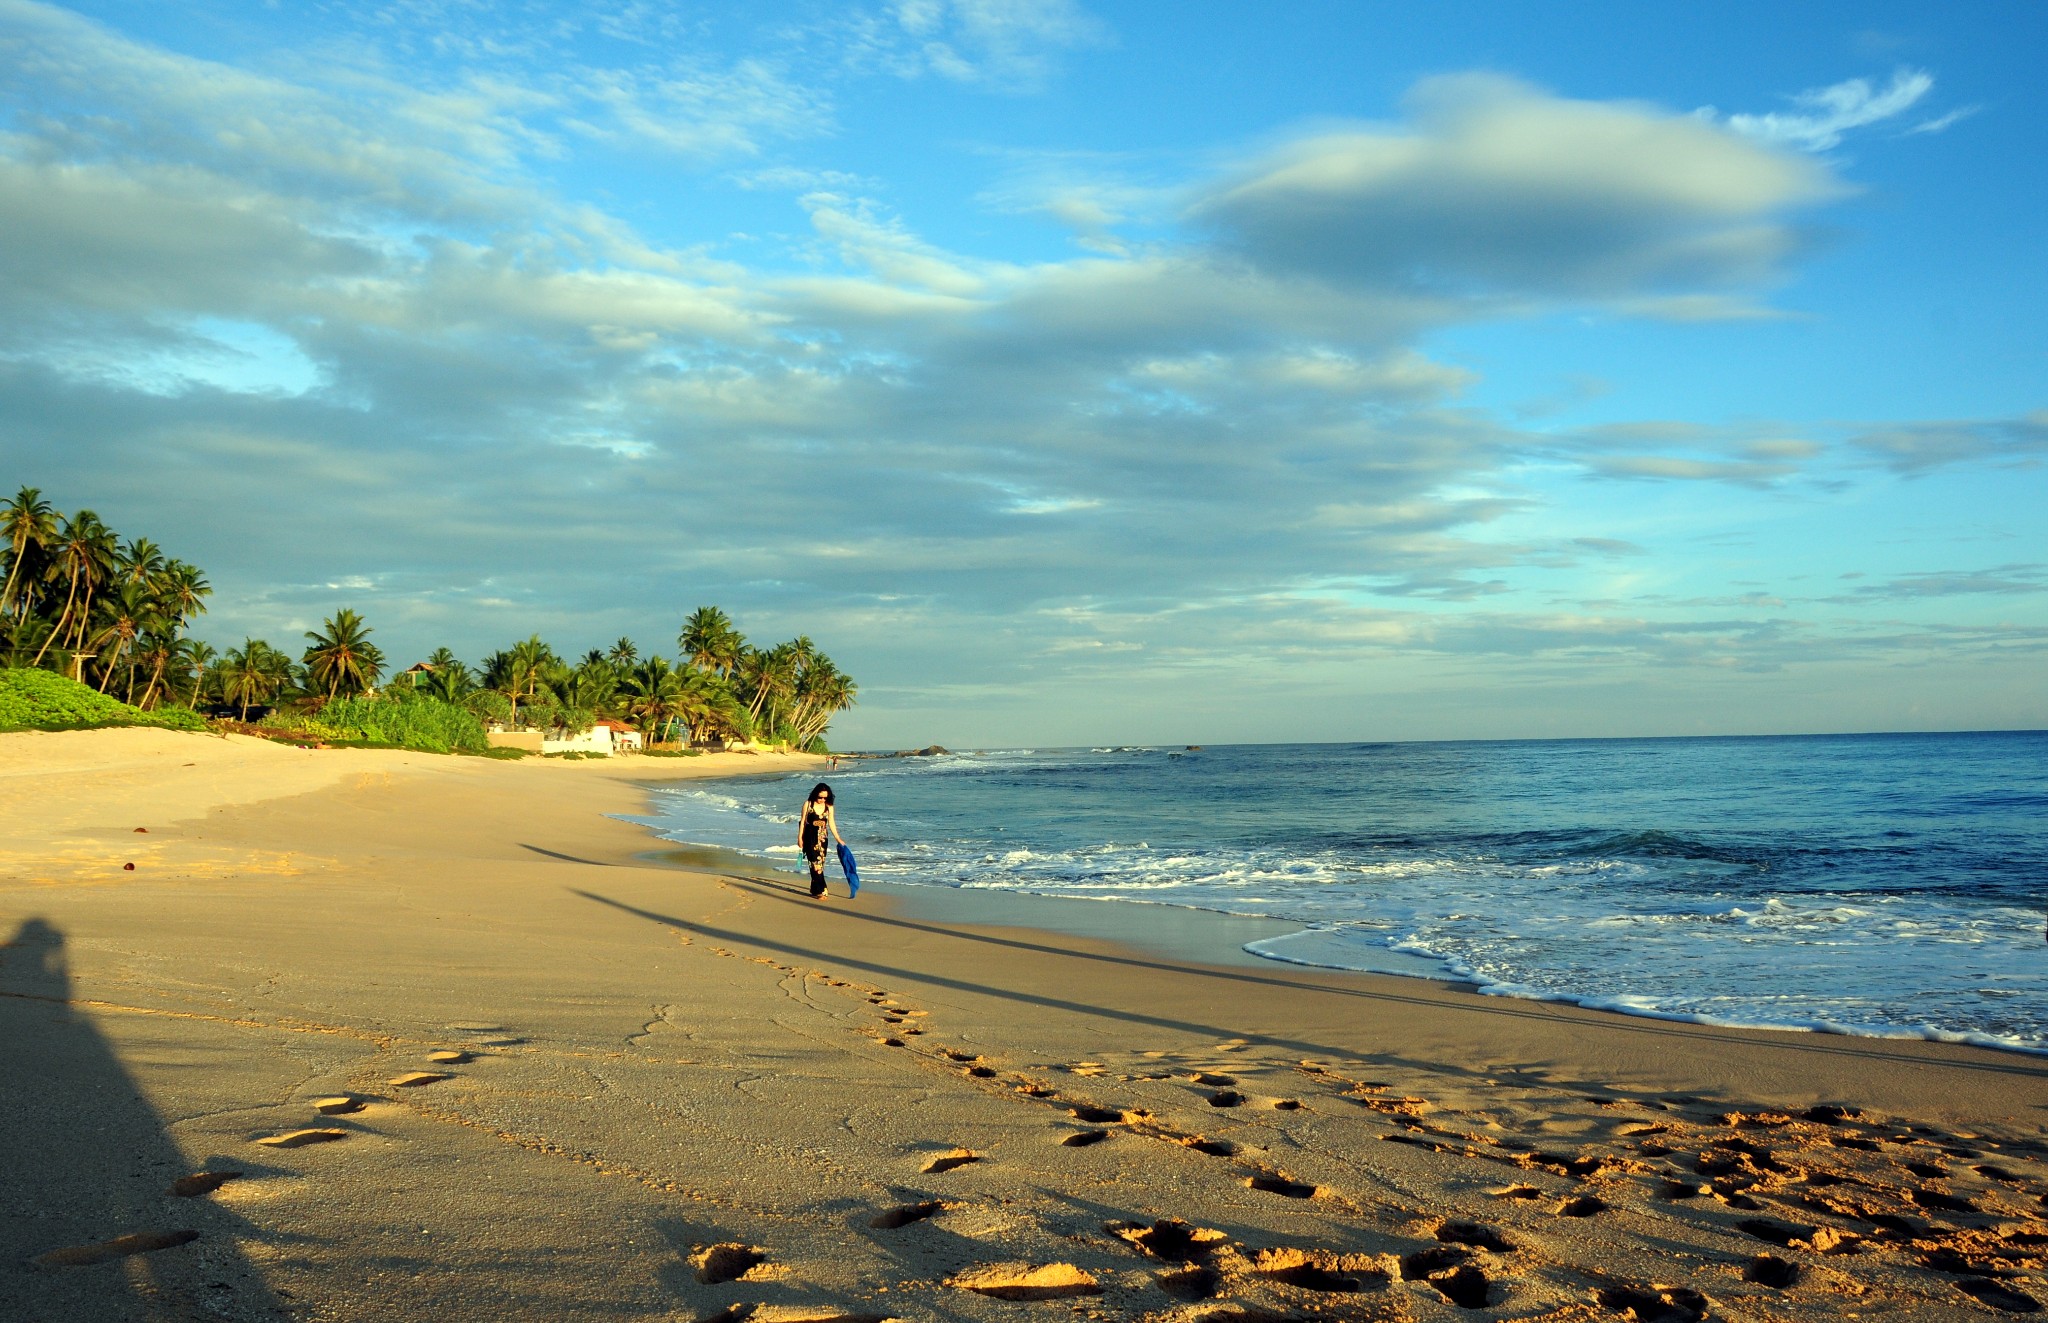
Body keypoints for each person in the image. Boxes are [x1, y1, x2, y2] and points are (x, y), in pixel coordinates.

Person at [798, 782, 844, 899]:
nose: (823, 800)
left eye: (825, 797)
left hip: (823, 838)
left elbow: (832, 823)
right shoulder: (808, 805)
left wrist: (838, 838)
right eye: (820, 797)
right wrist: (799, 838)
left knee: (820, 864)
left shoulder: (829, 807)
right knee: (814, 864)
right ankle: (822, 890)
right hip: (809, 838)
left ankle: (814, 889)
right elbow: (803, 822)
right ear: (815, 795)